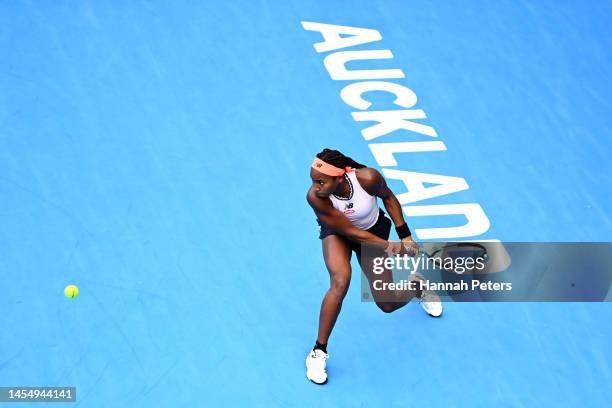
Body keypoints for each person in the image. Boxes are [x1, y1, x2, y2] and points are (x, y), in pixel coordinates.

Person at [305, 148, 442, 385]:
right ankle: (318, 351)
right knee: (340, 281)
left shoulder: (367, 178)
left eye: (321, 181)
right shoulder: (316, 197)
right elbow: (350, 232)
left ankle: (416, 287)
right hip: (339, 234)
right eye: (313, 181)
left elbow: (388, 198)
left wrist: (405, 237)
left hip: (374, 231)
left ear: (339, 177)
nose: (315, 186)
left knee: (387, 303)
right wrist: (396, 248)